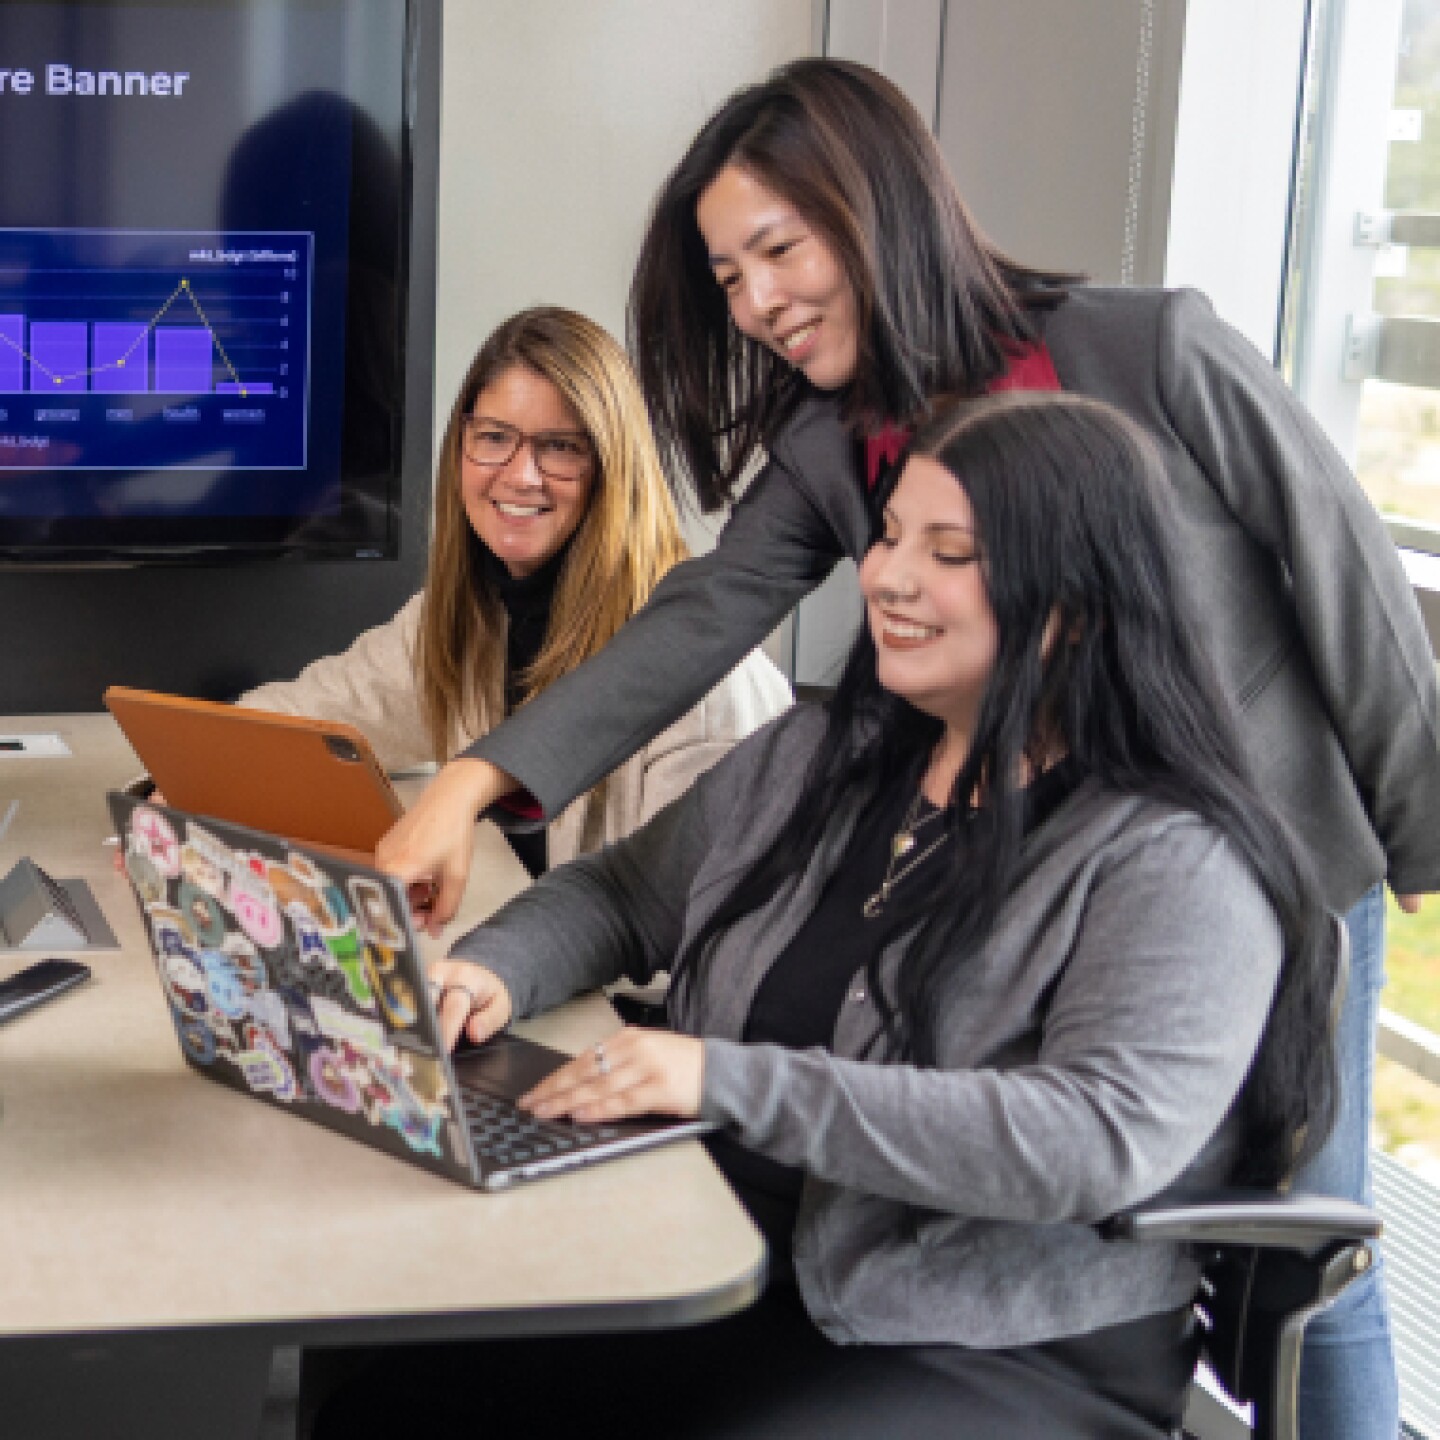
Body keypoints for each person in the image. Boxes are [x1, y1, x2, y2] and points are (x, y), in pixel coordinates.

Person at [376, 62, 1440, 1435]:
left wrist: (1422, 842)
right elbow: (701, 618)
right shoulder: (834, 441)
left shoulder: (1155, 351)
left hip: (1256, 855)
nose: (755, 303)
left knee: (1304, 1248)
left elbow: (1348, 590)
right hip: (996, 839)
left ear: (875, 210)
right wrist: (473, 783)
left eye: (779, 250)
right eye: (727, 274)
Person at [318, 393, 1340, 1439]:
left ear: (1075, 604)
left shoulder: (1177, 858)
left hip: (983, 1335)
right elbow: (625, 894)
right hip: (725, 1249)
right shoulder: (821, 755)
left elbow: (1096, 1138)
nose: (888, 576)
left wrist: (729, 1080)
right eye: (892, 535)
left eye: (951, 553)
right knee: (387, 1379)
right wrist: (489, 972)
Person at [239, 305, 789, 879]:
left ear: (613, 465)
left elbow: (689, 935)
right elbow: (303, 721)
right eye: (494, 437)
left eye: (560, 447)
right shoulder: (466, 616)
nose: (521, 474)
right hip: (522, 958)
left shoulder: (708, 679)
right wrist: (180, 785)